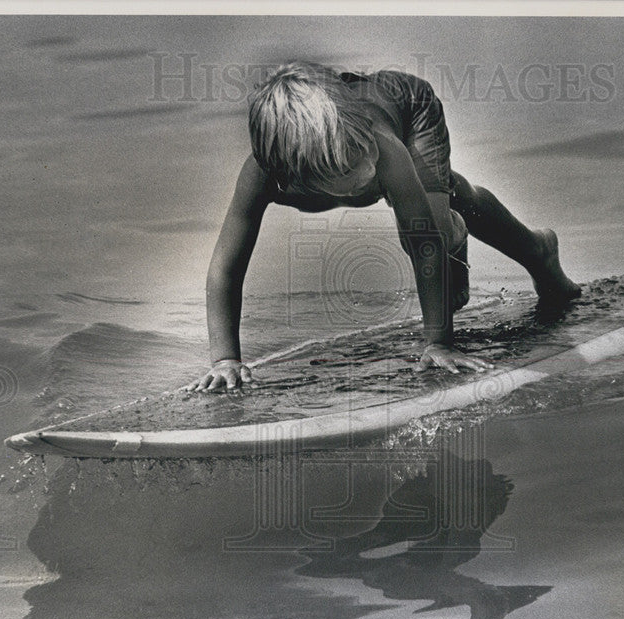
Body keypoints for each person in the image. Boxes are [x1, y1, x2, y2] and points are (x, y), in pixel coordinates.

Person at [186, 62, 581, 392]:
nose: (369, 167)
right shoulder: (263, 176)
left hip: (411, 108)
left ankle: (507, 244)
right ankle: (510, 238)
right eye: (349, 165)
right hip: (371, 120)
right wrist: (225, 360)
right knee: (438, 198)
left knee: (433, 231)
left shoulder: (383, 147)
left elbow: (425, 243)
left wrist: (439, 343)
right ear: (297, 174)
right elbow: (225, 269)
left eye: (365, 151)